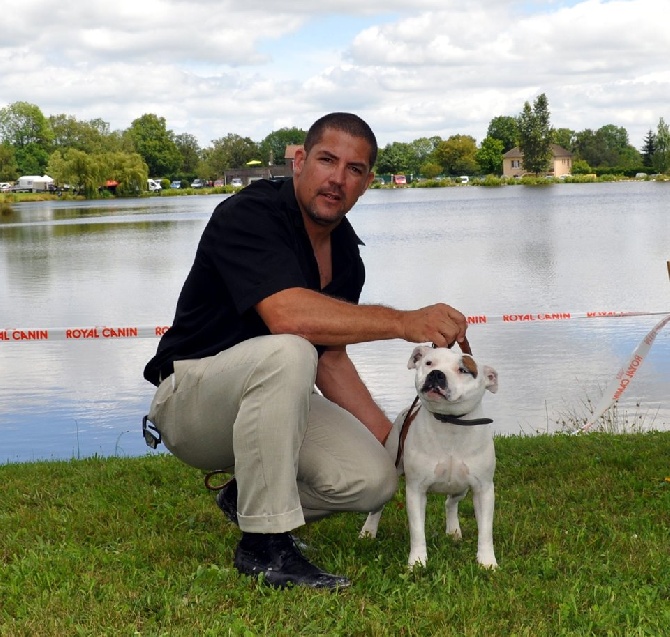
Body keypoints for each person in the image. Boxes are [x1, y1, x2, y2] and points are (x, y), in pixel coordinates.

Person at [143, 112, 468, 590]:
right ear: (299, 161)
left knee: (373, 480)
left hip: (272, 395)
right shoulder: (247, 214)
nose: (337, 179)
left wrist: (399, 442)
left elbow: (330, 359)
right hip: (190, 402)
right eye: (326, 160)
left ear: (367, 183)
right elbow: (287, 318)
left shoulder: (347, 258)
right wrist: (402, 322)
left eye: (354, 169)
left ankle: (245, 497)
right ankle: (264, 547)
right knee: (290, 350)